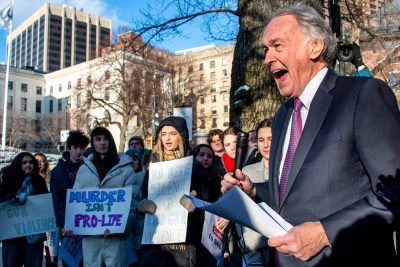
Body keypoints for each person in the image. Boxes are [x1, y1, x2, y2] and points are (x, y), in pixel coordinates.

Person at [221, 4, 400, 267]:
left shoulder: (362, 95)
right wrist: (253, 190)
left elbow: (394, 191)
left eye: (277, 46)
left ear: (315, 47)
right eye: (266, 50)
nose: (267, 58)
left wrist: (325, 232)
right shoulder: (283, 116)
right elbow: (291, 196)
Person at [138, 116, 209, 267]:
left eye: (173, 133)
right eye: (163, 134)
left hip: (183, 246)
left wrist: (195, 205)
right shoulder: (154, 168)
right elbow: (142, 195)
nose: (167, 138)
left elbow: (208, 204)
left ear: (182, 136)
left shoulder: (195, 168)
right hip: (154, 245)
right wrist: (142, 205)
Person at [72, 127, 142, 267]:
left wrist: (120, 227)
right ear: (93, 143)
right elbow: (76, 201)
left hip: (115, 238)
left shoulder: (126, 168)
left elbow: (132, 203)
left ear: (111, 141)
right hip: (91, 239)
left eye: (106, 139)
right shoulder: (84, 169)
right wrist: (71, 224)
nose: (102, 143)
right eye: (98, 139)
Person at [0, 152, 48, 267]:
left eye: (31, 162)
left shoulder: (39, 181)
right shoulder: (8, 179)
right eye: (24, 162)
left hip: (34, 237)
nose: (28, 165)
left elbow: (45, 202)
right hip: (12, 238)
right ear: (18, 164)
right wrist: (14, 198)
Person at [50, 130, 89, 267]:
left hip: (87, 222)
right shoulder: (57, 172)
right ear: (69, 148)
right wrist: (64, 224)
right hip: (67, 226)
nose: (78, 151)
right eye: (75, 148)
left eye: (81, 148)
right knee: (70, 261)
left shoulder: (90, 168)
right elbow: (56, 201)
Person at [238, 119, 272, 267]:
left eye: (271, 139)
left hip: (283, 247)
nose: (266, 145)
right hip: (253, 250)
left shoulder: (289, 171)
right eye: (261, 140)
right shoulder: (247, 172)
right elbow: (240, 211)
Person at [34, 152, 57, 267]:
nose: (39, 163)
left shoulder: (52, 177)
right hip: (36, 219)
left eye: (41, 161)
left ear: (45, 163)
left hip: (51, 218)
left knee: (51, 249)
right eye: (36, 161)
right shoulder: (29, 179)